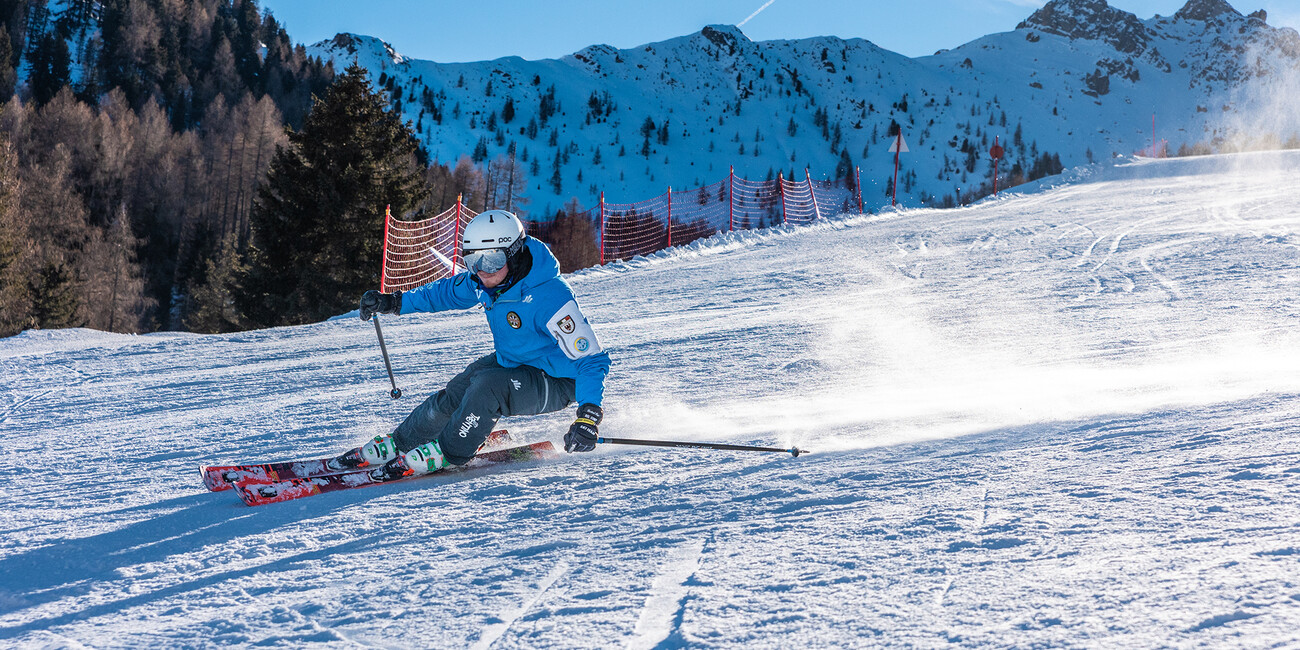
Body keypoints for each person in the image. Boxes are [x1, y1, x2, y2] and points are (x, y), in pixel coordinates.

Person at [337, 209, 610, 479]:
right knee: (460, 388)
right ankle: (402, 442)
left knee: (487, 388)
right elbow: (442, 294)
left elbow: (591, 360)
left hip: (559, 380)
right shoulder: (485, 282)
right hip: (516, 362)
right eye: (473, 260)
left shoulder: (550, 297)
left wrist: (588, 416)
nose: (481, 270)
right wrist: (393, 302)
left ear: (513, 255)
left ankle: (451, 451)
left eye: (491, 260)